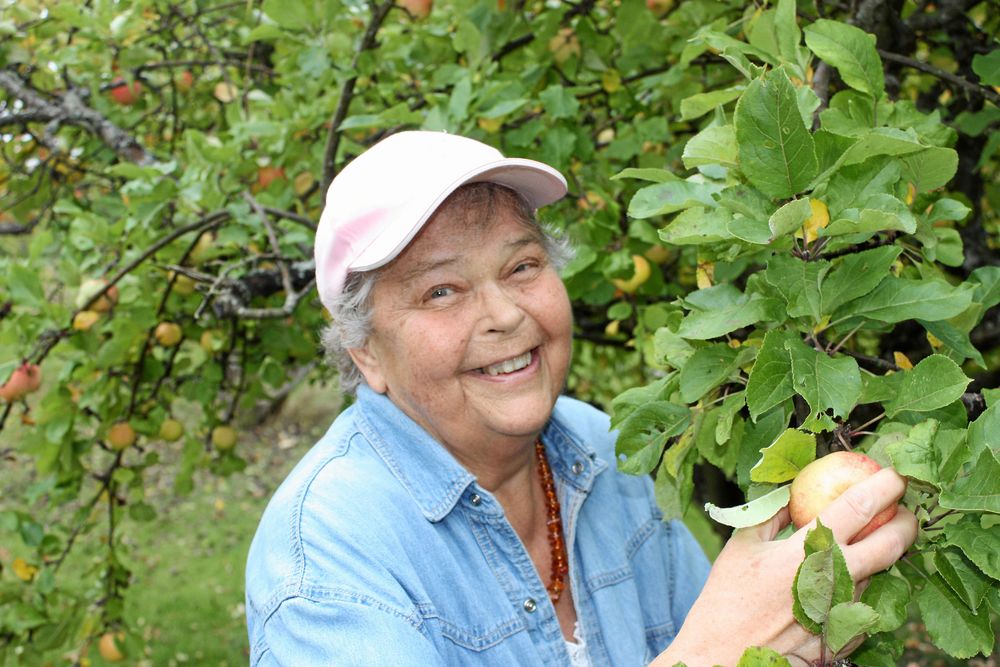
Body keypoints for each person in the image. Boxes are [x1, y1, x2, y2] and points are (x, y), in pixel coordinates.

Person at [244, 131, 917, 666]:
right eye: (441, 290)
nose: (505, 313)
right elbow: (706, 644)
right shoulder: (327, 561)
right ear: (365, 351)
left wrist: (790, 642)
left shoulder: (599, 449)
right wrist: (714, 655)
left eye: (521, 266)